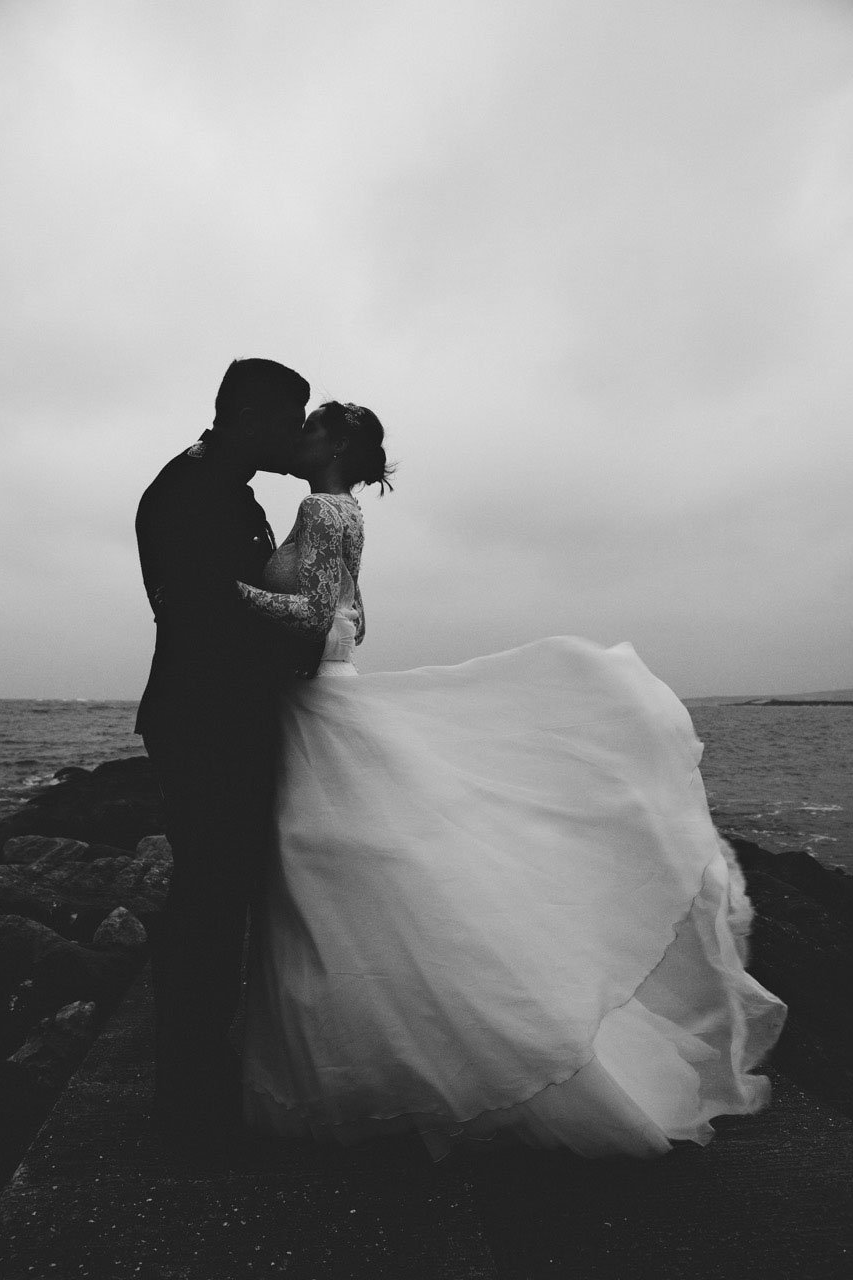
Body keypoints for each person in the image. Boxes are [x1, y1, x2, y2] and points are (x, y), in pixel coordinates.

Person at [238, 400, 786, 1161]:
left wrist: (228, 592)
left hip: (315, 702)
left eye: (309, 429)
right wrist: (320, 629)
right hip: (325, 687)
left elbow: (313, 612)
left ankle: (378, 1055)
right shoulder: (348, 512)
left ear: (334, 444)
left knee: (323, 867)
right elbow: (353, 616)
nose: (295, 437)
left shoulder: (318, 507)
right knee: (341, 868)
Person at [135, 357, 314, 1141]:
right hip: (204, 723)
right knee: (208, 901)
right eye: (289, 422)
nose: (298, 437)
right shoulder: (187, 492)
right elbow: (205, 618)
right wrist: (304, 643)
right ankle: (187, 1100)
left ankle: (201, 1075)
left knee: (221, 897)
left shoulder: (230, 488)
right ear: (251, 418)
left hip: (225, 718)